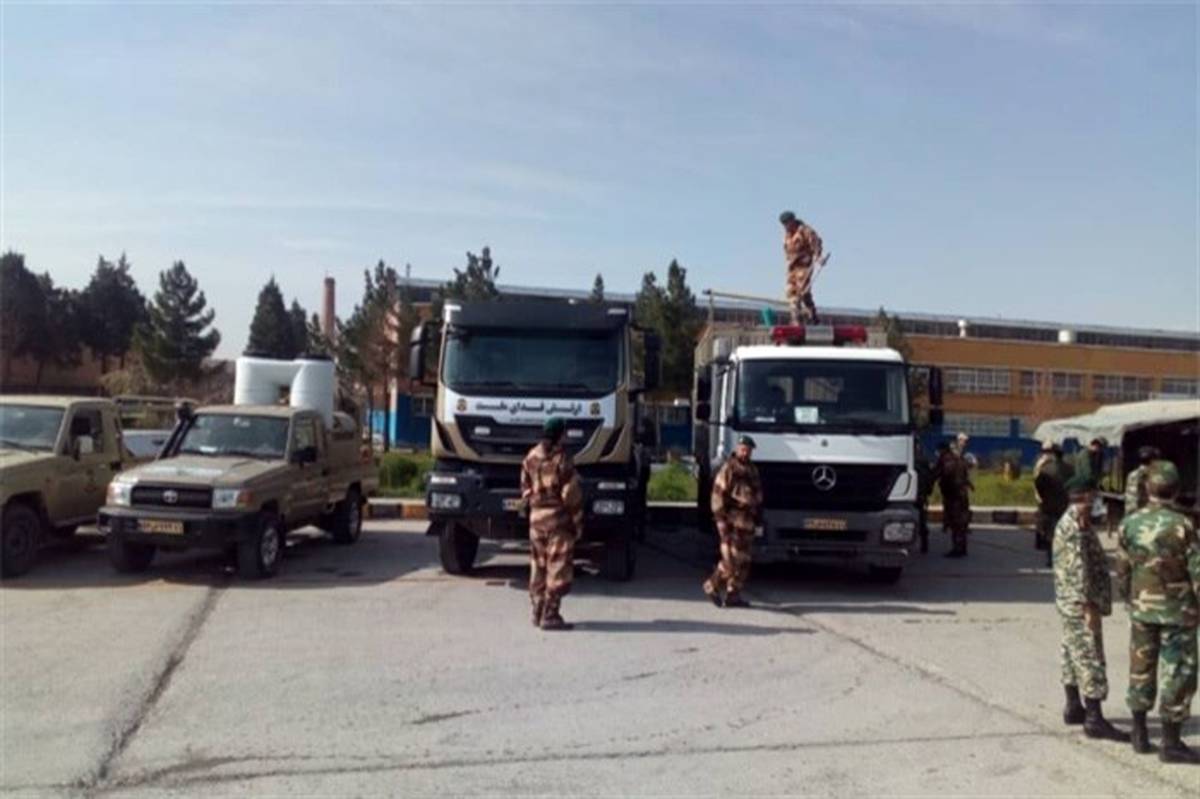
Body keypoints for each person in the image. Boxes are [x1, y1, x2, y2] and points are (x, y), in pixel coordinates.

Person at [1115, 460, 1200, 763]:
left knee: (1141, 667)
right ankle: (1171, 742)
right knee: (1177, 672)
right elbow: (1197, 571)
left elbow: (1122, 569)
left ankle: (1139, 733)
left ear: (1147, 488)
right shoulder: (1183, 526)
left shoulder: (1129, 523)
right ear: (1175, 489)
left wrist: (1130, 599)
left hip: (1142, 609)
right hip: (1178, 612)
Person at [1053, 474, 1131, 742]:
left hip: (1069, 601)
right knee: (1090, 656)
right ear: (1085, 496)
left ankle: (1074, 706)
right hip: (1079, 603)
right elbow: (1078, 569)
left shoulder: (1075, 521)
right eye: (1094, 495)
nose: (1097, 500)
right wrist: (1088, 606)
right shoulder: (1074, 526)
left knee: (1071, 651)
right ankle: (1094, 719)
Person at [521, 417, 584, 631]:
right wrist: (577, 521)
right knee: (557, 567)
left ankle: (537, 610)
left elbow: (525, 489)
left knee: (538, 565)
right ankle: (550, 615)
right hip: (558, 521)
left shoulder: (530, 457)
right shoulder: (563, 459)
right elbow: (570, 494)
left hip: (536, 520)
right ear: (560, 435)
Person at [703, 435, 763, 608]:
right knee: (732, 559)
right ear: (737, 449)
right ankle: (712, 585)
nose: (745, 453)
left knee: (744, 561)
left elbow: (757, 493)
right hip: (732, 520)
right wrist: (720, 520)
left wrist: (758, 516)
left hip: (748, 521)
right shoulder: (729, 468)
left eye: (748, 450)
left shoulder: (752, 470)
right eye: (743, 449)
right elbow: (717, 495)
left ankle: (733, 594)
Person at [779, 210, 824, 325]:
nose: (786, 227)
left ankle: (808, 315)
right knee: (791, 291)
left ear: (792, 221)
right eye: (784, 224)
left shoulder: (805, 230)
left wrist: (818, 257)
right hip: (792, 268)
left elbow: (816, 243)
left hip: (804, 266)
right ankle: (797, 317)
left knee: (802, 290)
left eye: (787, 223)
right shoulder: (787, 235)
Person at [933, 439, 972, 558]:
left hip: (953, 495)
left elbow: (935, 474)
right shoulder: (958, 459)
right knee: (962, 522)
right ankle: (962, 547)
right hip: (962, 494)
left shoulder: (945, 460)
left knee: (955, 522)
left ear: (941, 451)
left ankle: (957, 549)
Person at [1034, 441, 1070, 566]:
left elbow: (1038, 484)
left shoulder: (1045, 469)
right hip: (1064, 505)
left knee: (1051, 533)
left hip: (1049, 506)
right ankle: (1063, 557)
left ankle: (1051, 559)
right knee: (1064, 532)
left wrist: (1044, 498)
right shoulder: (1069, 469)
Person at [1123, 446, 1161, 517]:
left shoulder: (1132, 475)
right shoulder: (1154, 476)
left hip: (1130, 515)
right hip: (1145, 516)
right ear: (1152, 460)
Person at [914, 439, 934, 555]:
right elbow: (930, 478)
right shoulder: (923, 461)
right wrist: (928, 491)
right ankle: (924, 544)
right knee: (922, 520)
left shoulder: (911, 459)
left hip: (914, 493)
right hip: (921, 494)